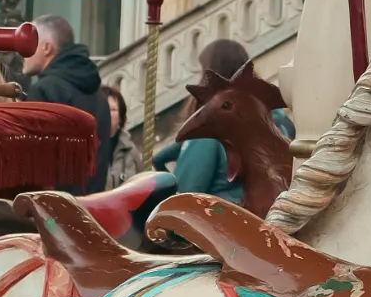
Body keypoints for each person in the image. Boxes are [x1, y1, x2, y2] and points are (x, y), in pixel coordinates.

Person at [154, 37, 293, 204]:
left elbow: (186, 192)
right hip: (276, 209)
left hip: (225, 214)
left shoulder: (212, 124)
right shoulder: (280, 121)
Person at [22, 14, 112, 194]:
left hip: (49, 206)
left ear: (46, 47)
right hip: (90, 205)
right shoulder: (99, 96)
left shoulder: (43, 91)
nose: (22, 54)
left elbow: (28, 161)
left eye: (28, 44)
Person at [104, 86, 141, 188]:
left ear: (121, 117)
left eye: (112, 109)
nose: (106, 113)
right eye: (103, 108)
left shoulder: (130, 150)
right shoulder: (86, 150)